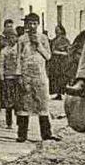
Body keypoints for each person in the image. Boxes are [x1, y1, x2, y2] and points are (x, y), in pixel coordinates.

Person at [16, 13, 60, 142]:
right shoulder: (22, 39)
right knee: (24, 104)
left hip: (40, 74)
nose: (32, 26)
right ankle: (22, 134)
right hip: (26, 74)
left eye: (35, 23)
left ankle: (46, 133)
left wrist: (38, 45)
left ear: (38, 24)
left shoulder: (43, 38)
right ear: (26, 25)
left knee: (43, 103)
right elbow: (18, 57)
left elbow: (48, 56)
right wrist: (19, 75)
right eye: (30, 23)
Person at [0, 19, 21, 128]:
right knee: (8, 100)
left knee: (18, 100)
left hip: (17, 77)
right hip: (8, 76)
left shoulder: (19, 50)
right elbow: (1, 63)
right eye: (10, 37)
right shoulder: (4, 51)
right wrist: (1, 75)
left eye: (14, 37)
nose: (12, 39)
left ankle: (19, 122)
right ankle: (9, 122)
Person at [48, 24, 72, 99]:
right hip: (55, 62)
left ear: (61, 30)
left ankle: (62, 93)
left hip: (62, 62)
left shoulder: (65, 40)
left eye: (57, 29)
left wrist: (59, 53)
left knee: (61, 77)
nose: (56, 31)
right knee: (55, 77)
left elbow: (68, 51)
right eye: (55, 29)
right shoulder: (54, 40)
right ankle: (58, 94)